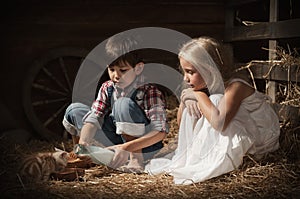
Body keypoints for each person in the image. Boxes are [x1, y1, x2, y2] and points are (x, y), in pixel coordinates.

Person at [145, 36, 280, 184]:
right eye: (184, 72)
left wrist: (198, 94)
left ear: (209, 69)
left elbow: (219, 122)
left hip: (260, 141)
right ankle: (198, 158)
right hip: (241, 132)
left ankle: (214, 161)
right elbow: (182, 123)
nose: (185, 78)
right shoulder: (205, 88)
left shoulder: (236, 87)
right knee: (202, 103)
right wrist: (186, 101)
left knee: (214, 100)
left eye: (190, 72)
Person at [63, 32, 169, 172]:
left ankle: (136, 160)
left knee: (122, 104)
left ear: (138, 68)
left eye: (123, 70)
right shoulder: (107, 87)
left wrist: (127, 147)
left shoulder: (150, 92)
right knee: (74, 109)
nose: (116, 76)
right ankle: (80, 156)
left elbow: (160, 132)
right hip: (116, 139)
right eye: (111, 69)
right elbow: (94, 117)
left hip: (143, 145)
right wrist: (84, 143)